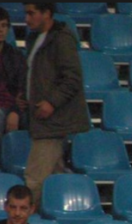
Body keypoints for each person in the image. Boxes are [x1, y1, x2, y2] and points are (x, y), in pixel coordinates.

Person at [22, 3, 90, 210]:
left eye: (31, 13)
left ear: (47, 14)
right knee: (56, 174)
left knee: (35, 178)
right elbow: (37, 76)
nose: (26, 19)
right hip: (42, 118)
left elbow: (72, 78)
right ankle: (63, 217)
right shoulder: (35, 38)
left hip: (52, 121)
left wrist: (52, 102)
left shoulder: (61, 39)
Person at [0, 5, 28, 169]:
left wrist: (15, 111)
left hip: (14, 106)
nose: (0, 30)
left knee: (41, 117)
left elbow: (24, 87)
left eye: (4, 25)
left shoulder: (15, 56)